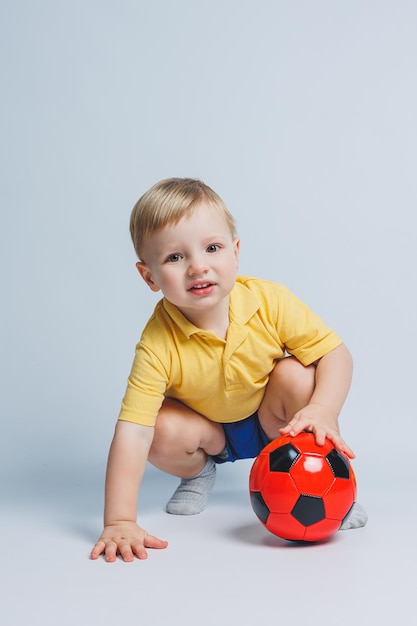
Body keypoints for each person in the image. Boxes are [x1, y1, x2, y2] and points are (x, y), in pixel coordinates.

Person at [91, 177, 367, 563]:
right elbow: (133, 432)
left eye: (212, 248)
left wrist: (324, 409)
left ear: (235, 252)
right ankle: (199, 473)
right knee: (157, 427)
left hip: (278, 421)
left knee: (299, 374)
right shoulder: (157, 342)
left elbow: (335, 354)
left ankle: (326, 485)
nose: (197, 266)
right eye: (175, 257)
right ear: (149, 276)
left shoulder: (268, 300)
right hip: (210, 433)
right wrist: (119, 520)